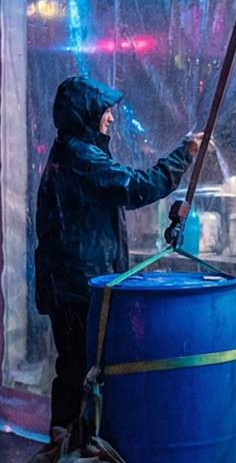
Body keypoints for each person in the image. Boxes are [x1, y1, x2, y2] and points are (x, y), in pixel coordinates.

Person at [33, 76, 198, 428]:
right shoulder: (82, 156)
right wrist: (184, 155)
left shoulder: (70, 151)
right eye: (105, 110)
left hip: (71, 285)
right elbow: (136, 187)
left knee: (75, 370)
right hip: (78, 287)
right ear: (86, 113)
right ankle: (71, 455)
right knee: (79, 370)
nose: (110, 117)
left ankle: (70, 453)